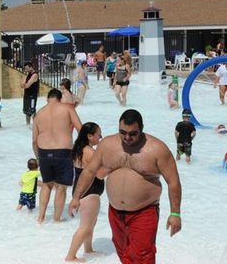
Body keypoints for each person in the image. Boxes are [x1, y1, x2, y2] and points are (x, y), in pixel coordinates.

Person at [69, 109, 182, 264]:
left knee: (142, 255)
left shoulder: (157, 149)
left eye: (132, 134)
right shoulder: (107, 145)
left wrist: (175, 214)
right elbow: (89, 171)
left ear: (141, 129)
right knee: (124, 253)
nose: (127, 137)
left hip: (144, 212)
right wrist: (76, 197)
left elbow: (173, 181)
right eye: (123, 132)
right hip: (115, 212)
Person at [32, 88, 82, 223]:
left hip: (43, 152)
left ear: (47, 99)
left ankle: (41, 217)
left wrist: (38, 157)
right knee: (61, 187)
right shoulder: (67, 108)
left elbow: (34, 141)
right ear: (60, 99)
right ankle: (56, 219)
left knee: (47, 185)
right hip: (63, 151)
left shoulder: (39, 114)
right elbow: (80, 129)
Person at [65, 122, 107, 262]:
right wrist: (113, 164)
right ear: (89, 136)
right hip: (89, 192)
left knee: (91, 223)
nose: (101, 137)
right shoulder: (90, 152)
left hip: (81, 189)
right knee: (85, 226)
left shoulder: (79, 149)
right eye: (99, 135)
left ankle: (88, 249)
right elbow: (101, 174)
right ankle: (70, 256)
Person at [21, 62, 39, 127]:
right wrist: (24, 77)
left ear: (31, 67)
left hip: (32, 96)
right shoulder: (27, 75)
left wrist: (24, 84)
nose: (26, 70)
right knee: (26, 111)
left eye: (27, 69)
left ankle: (35, 125)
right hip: (27, 95)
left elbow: (27, 86)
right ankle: (27, 125)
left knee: (32, 110)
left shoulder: (35, 75)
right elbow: (21, 85)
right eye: (25, 69)